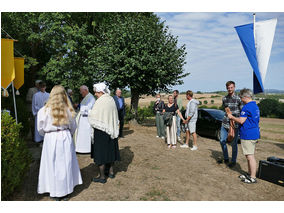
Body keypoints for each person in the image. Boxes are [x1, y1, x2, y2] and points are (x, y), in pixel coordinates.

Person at [37, 85, 82, 200]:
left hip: (50, 138)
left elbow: (40, 129)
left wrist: (47, 135)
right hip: (64, 136)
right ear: (64, 95)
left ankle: (53, 190)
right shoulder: (68, 109)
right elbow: (73, 126)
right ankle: (65, 191)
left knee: (51, 164)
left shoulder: (43, 111)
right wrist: (67, 133)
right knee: (65, 164)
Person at [88, 83, 120, 184]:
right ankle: (111, 172)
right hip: (110, 130)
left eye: (96, 92)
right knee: (110, 151)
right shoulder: (111, 99)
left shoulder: (101, 101)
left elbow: (94, 115)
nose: (95, 94)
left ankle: (102, 177)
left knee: (101, 153)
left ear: (101, 91)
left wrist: (89, 112)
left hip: (101, 131)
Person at [228, 88, 260, 184]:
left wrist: (232, 117)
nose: (241, 99)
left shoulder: (246, 107)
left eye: (241, 97)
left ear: (246, 97)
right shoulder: (255, 106)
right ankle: (250, 174)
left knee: (250, 156)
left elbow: (241, 120)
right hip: (254, 133)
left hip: (248, 134)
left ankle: (253, 177)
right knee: (249, 155)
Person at [218, 81, 243, 168]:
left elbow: (242, 111)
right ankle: (226, 158)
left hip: (235, 124)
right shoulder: (224, 98)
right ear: (226, 88)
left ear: (234, 87)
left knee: (234, 144)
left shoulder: (239, 98)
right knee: (222, 141)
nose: (230, 89)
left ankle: (233, 161)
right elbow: (225, 109)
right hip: (225, 123)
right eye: (228, 88)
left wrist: (235, 119)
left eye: (231, 87)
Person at [74, 85, 96, 153]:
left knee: (85, 135)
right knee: (81, 135)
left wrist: (82, 109)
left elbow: (90, 109)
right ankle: (80, 149)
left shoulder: (91, 98)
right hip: (82, 120)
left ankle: (86, 149)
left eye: (81, 91)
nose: (81, 93)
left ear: (86, 90)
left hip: (86, 120)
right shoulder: (86, 97)